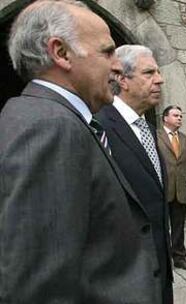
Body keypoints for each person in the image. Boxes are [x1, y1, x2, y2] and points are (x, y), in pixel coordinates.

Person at [0, 1, 163, 303]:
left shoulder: (50, 117)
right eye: (107, 52)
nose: (117, 65)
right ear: (61, 53)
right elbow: (38, 287)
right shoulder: (49, 127)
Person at [96, 44, 173, 304]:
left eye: (159, 72)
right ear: (121, 79)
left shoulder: (148, 129)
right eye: (149, 73)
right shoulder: (99, 127)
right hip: (125, 279)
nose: (160, 79)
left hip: (159, 271)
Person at [157, 105, 186, 271]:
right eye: (175, 115)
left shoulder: (185, 139)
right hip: (161, 190)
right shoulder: (155, 136)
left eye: (181, 116)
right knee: (161, 226)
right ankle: (162, 259)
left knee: (179, 227)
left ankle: (179, 257)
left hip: (181, 190)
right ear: (165, 118)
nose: (179, 118)